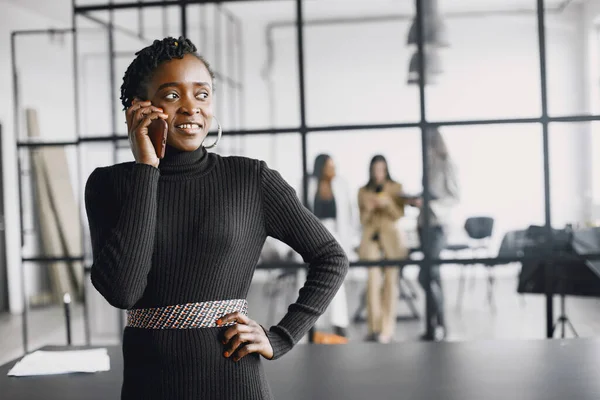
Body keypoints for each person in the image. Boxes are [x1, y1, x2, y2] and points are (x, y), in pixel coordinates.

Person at [84, 37, 348, 400]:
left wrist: (281, 337)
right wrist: (147, 169)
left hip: (234, 382)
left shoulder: (250, 179)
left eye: (202, 94)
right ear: (139, 107)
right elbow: (123, 290)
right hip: (150, 385)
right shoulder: (108, 185)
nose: (192, 108)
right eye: (173, 95)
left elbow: (330, 257)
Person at [298, 154, 357, 342]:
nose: (333, 170)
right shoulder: (308, 183)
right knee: (310, 279)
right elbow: (299, 209)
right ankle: (311, 325)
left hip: (335, 235)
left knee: (335, 279)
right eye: (329, 167)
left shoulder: (341, 184)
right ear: (321, 168)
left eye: (334, 166)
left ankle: (339, 324)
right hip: (312, 233)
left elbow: (349, 214)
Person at [414, 127, 460, 341]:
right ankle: (436, 326)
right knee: (434, 276)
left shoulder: (447, 164)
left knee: (427, 275)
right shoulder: (427, 166)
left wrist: (431, 203)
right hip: (423, 225)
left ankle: (439, 323)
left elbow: (454, 196)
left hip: (438, 226)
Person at [357, 155, 408, 344]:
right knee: (373, 281)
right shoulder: (362, 191)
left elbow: (399, 215)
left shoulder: (396, 188)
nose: (378, 173)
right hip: (371, 238)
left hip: (391, 239)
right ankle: (374, 328)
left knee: (390, 282)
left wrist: (388, 203)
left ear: (387, 170)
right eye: (375, 169)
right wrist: (370, 208)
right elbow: (362, 220)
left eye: (382, 169)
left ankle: (386, 329)